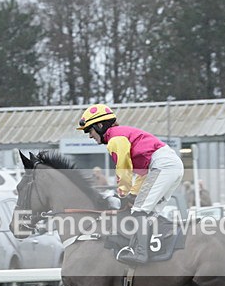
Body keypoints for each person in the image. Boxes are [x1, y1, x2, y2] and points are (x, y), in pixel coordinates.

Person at [77, 103, 184, 265]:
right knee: (149, 213)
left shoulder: (115, 139)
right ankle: (150, 251)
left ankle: (140, 253)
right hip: (169, 165)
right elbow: (142, 173)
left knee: (140, 210)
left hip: (163, 166)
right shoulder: (122, 136)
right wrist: (133, 194)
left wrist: (123, 193)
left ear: (99, 125)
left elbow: (123, 167)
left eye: (89, 130)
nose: (89, 136)